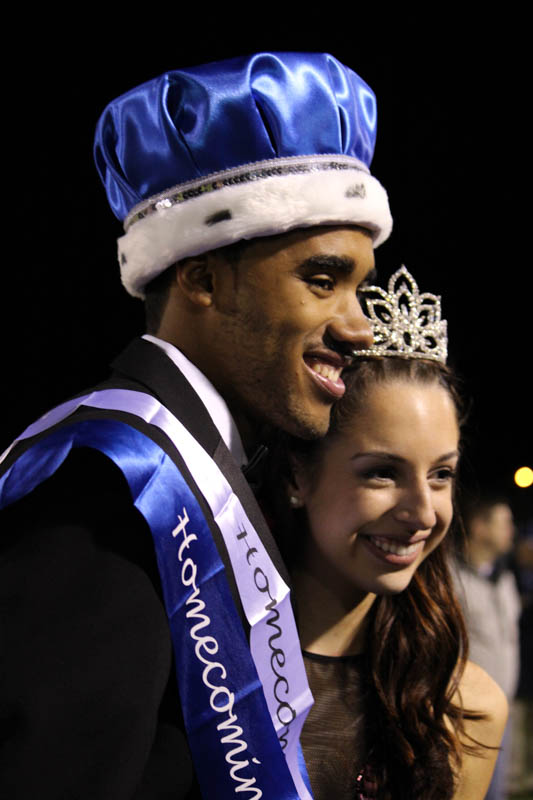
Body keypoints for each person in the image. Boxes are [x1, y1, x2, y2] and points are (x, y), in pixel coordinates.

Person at [0, 53, 392, 799]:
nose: (360, 327)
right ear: (201, 278)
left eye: (359, 287)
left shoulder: (212, 465)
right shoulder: (102, 494)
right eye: (321, 279)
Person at [261, 267, 508, 800]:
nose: (422, 512)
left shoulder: (464, 711)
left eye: (441, 474)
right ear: (296, 476)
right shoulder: (204, 669)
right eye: (382, 471)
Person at [453, 498, 521, 799]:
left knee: (497, 792)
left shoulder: (504, 577)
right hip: (463, 717)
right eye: (504, 522)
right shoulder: (450, 577)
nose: (512, 530)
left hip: (502, 709)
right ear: (480, 528)